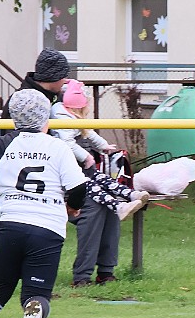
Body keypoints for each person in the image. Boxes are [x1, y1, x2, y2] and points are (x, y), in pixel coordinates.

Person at [0, 89, 87, 318]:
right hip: (47, 228)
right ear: (45, 118)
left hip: (11, 225)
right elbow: (78, 188)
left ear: (13, 118)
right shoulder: (58, 147)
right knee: (37, 294)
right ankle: (33, 309)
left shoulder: (1, 144)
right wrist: (73, 207)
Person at [51, 79, 148, 221]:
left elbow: (89, 132)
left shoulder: (72, 116)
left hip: (77, 165)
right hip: (66, 169)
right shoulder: (63, 120)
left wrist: (103, 145)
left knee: (102, 178)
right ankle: (117, 207)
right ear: (78, 108)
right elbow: (67, 143)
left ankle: (131, 194)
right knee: (90, 185)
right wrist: (86, 157)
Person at [0, 48, 70, 125]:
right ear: (55, 77)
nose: (65, 81)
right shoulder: (23, 101)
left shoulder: (58, 98)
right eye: (64, 76)